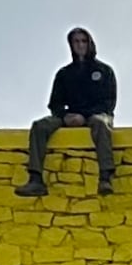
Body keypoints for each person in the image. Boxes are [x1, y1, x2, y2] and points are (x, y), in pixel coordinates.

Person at [19, 30, 119, 197]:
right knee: (40, 126)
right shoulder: (64, 74)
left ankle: (105, 177)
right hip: (69, 116)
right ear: (71, 45)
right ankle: (35, 179)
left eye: (83, 41)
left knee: (100, 124)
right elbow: (55, 103)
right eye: (76, 42)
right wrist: (66, 116)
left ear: (90, 43)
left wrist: (84, 116)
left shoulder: (104, 71)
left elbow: (108, 103)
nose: (80, 45)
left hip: (97, 115)